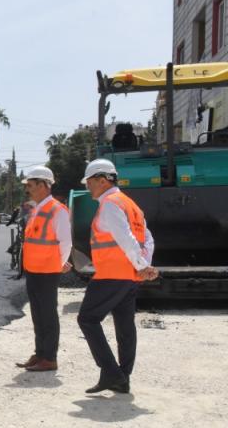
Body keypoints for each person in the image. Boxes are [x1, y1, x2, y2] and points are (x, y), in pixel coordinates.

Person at [77, 158, 159, 394]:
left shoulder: (110, 204)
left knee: (87, 319)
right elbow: (148, 239)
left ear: (102, 180)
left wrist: (141, 265)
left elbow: (126, 239)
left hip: (111, 274)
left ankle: (112, 374)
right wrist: (143, 266)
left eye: (90, 182)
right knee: (125, 325)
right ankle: (123, 376)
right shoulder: (131, 205)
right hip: (129, 276)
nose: (88, 187)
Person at [15, 166, 71, 373]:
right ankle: (40, 354)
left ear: (43, 185)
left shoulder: (58, 210)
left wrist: (59, 264)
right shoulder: (37, 208)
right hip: (34, 269)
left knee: (47, 314)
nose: (28, 189)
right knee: (37, 314)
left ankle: (49, 357)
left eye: (30, 185)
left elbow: (65, 241)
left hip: (48, 271)